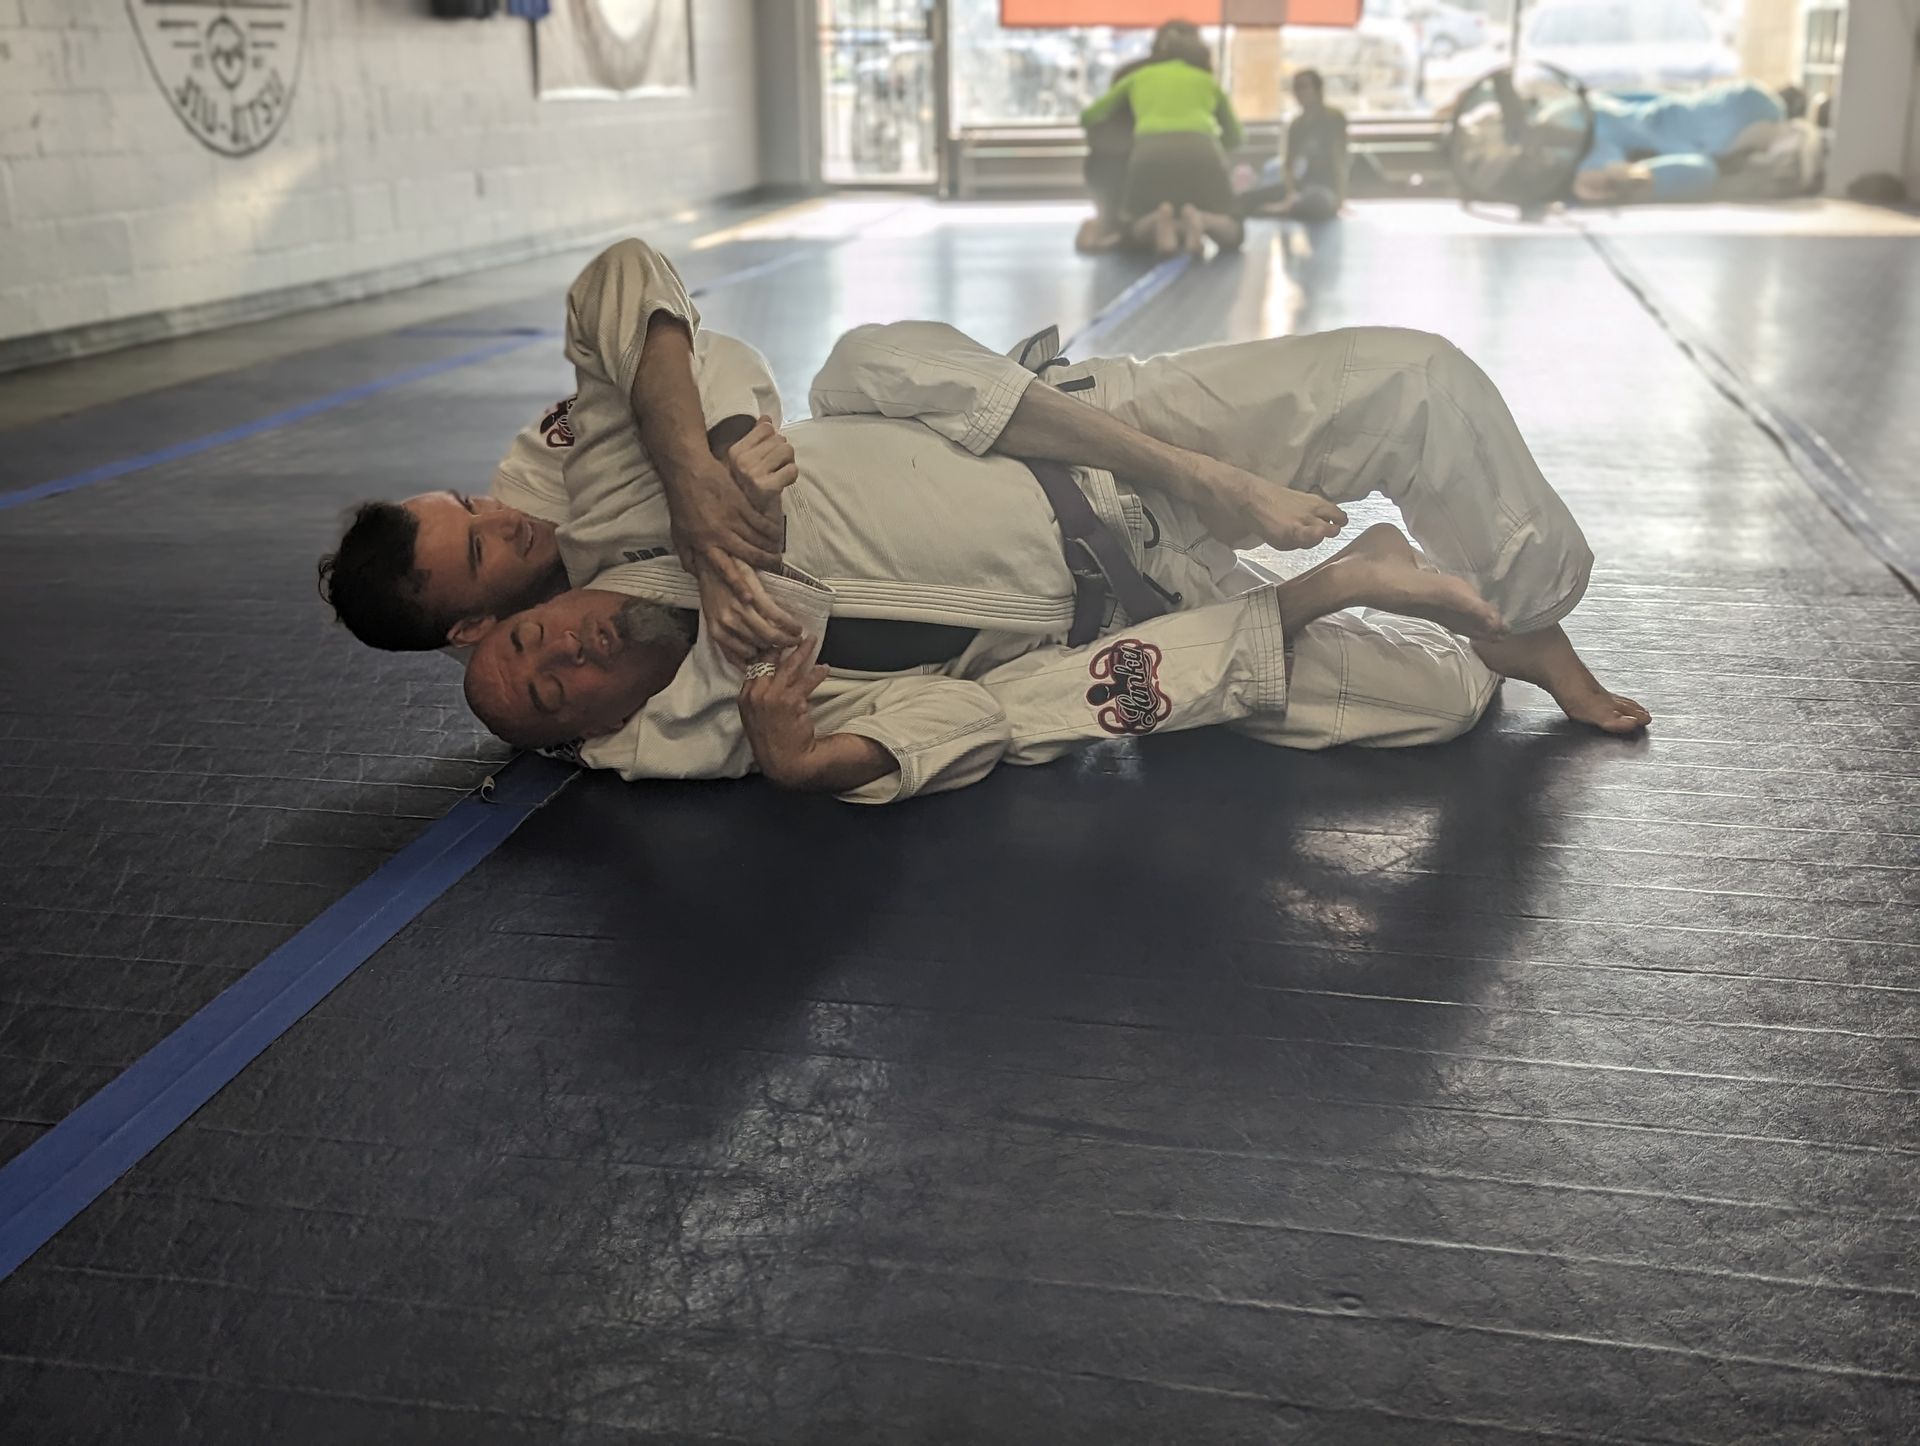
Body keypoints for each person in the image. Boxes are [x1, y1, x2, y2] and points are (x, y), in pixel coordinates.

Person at [461, 312, 1648, 804]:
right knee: (1442, 698)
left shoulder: (644, 513)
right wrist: (822, 764)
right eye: (555, 687)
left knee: (1415, 380)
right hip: (1151, 605)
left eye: (532, 636)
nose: (568, 647)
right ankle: (1365, 585)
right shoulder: (745, 712)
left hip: (1118, 445)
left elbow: (650, 308)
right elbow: (985, 718)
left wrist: (705, 462)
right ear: (593, 733)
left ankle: (1531, 618)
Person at [317, 239, 792, 662]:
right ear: (471, 630)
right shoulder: (531, 673)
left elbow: (650, 295)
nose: (503, 519)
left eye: (469, 505)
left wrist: (699, 481)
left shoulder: (546, 465)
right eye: (479, 549)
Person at [1080, 21, 1245, 257]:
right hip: (1202, 149)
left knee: (1134, 221)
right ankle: (1203, 220)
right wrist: (1217, 148)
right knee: (1232, 228)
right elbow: (1237, 136)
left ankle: (1159, 222)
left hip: (1148, 152)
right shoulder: (1206, 80)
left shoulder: (1136, 75)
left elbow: (1089, 116)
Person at [1239, 69, 1348, 223]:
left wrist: (1340, 198)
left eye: (1304, 87)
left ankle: (1283, 209)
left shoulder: (1334, 118)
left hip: (1324, 189)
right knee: (1245, 198)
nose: (1299, 93)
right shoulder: (1296, 125)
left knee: (1316, 202)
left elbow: (1340, 159)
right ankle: (1286, 206)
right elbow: (1288, 164)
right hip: (1300, 186)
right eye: (1296, 88)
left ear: (1318, 90)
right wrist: (1292, 193)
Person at [1077, 56, 1149, 253]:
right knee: (1134, 223)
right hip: (1125, 178)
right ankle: (1116, 232)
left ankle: (1102, 227)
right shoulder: (1146, 120)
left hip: (1101, 175)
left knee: (1110, 217)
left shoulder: (1103, 117)